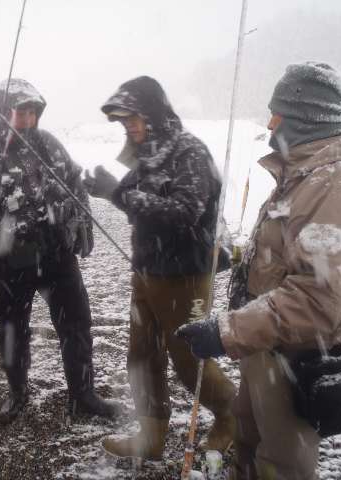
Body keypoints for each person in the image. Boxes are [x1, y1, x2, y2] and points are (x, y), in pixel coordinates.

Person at [177, 62, 341, 479]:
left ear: (306, 118)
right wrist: (238, 258)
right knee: (247, 432)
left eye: (277, 115)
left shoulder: (337, 183)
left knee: (281, 462)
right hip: (268, 344)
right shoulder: (307, 171)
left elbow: (316, 299)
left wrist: (225, 331)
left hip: (296, 355)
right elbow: (287, 252)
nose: (269, 124)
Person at [0, 78, 120, 424]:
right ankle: (18, 391)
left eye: (31, 112)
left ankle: (83, 393)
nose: (26, 119)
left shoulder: (49, 144)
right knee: (12, 329)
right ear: (1, 112)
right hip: (9, 261)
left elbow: (74, 184)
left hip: (57, 256)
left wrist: (83, 224)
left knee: (76, 323)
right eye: (19, 111)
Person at [85, 76, 237, 460]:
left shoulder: (189, 152)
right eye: (123, 121)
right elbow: (138, 203)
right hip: (147, 271)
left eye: (133, 118)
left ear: (154, 113)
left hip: (185, 276)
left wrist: (116, 192)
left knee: (189, 360)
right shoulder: (148, 155)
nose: (128, 126)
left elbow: (185, 213)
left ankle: (232, 416)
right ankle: (151, 437)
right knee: (142, 356)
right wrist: (109, 191)